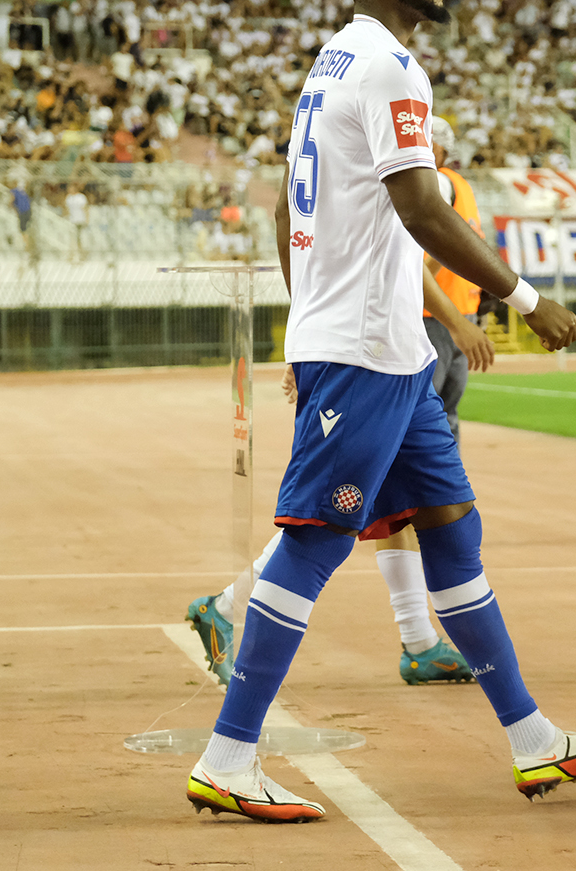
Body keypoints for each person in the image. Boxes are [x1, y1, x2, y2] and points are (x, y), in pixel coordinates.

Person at [184, 0, 576, 824]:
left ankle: (533, 740)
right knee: (312, 544)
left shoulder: (332, 59)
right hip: (367, 353)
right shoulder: (390, 67)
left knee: (452, 527)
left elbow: (283, 210)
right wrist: (526, 299)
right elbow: (425, 210)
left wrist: (310, 319)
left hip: (387, 352)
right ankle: (229, 756)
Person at [188, 265, 495, 687]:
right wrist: (468, 317)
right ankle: (226, 614)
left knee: (400, 499)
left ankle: (420, 643)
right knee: (343, 507)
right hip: (396, 336)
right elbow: (410, 255)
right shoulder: (410, 198)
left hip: (398, 334)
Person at [421, 116, 488, 445]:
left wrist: (418, 288)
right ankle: (447, 491)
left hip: (437, 313)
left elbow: (444, 246)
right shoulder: (461, 186)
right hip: (461, 310)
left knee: (425, 412)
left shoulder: (437, 182)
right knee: (447, 414)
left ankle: (425, 491)